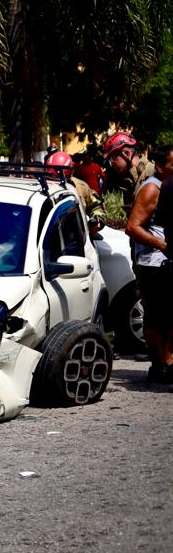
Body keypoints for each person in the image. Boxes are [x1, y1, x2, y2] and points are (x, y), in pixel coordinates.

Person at [125, 145, 173, 382]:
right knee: (156, 316)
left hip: (165, 261)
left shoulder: (166, 187)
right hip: (153, 263)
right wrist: (163, 245)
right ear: (162, 166)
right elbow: (132, 227)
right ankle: (158, 365)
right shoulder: (152, 189)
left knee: (167, 317)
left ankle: (166, 362)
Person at [46, 150, 106, 234]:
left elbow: (96, 206)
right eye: (52, 177)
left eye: (62, 179)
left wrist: (97, 220)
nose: (56, 183)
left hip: (78, 240)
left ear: (70, 173)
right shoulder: (37, 190)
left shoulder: (81, 187)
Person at [104, 131, 154, 214]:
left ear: (126, 154)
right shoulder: (130, 180)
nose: (112, 165)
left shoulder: (152, 172)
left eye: (113, 159)